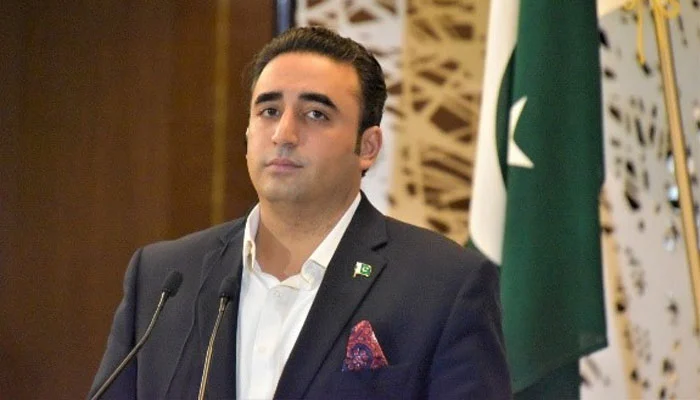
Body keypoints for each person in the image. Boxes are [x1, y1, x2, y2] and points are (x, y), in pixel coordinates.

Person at [89, 26, 511, 399]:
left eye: (315, 114)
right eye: (269, 111)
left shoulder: (442, 286)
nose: (284, 134)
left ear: (367, 147)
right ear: (248, 132)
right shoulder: (164, 281)